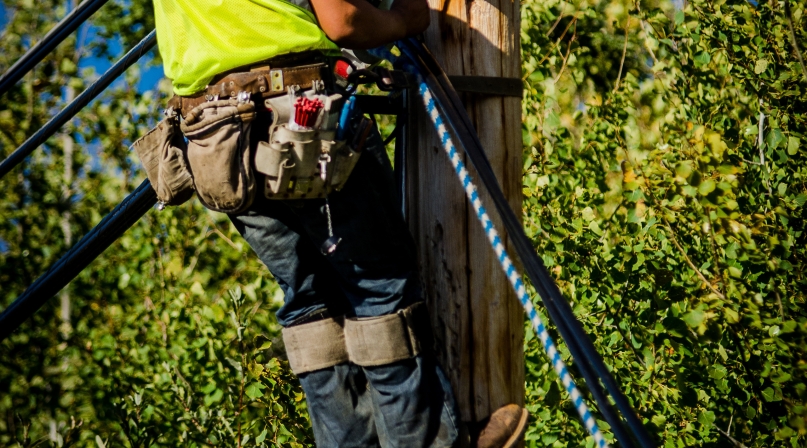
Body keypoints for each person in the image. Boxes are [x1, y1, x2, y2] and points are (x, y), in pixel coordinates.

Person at [148, 0, 528, 446]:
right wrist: (405, 18)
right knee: (380, 293)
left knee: (309, 308)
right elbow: (343, 20)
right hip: (298, 122)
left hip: (215, 140)